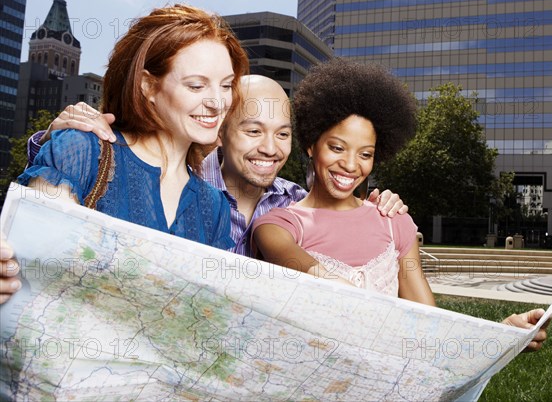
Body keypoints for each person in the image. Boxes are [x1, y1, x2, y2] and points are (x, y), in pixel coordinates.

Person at [0, 75, 406, 302]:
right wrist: (53, 139)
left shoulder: (297, 203)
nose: (270, 148)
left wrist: (381, 209)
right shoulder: (179, 188)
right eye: (253, 131)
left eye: (282, 134)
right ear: (220, 133)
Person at [252, 58, 550, 350]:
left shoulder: (394, 222)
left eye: (365, 154)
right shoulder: (276, 226)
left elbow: (430, 325)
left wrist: (502, 334)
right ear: (311, 145)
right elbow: (318, 281)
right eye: (337, 147)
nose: (350, 165)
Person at [3, 4, 249, 283]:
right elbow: (29, 269)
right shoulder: (80, 151)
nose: (217, 103)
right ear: (148, 86)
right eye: (196, 86)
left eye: (226, 85)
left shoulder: (214, 205)